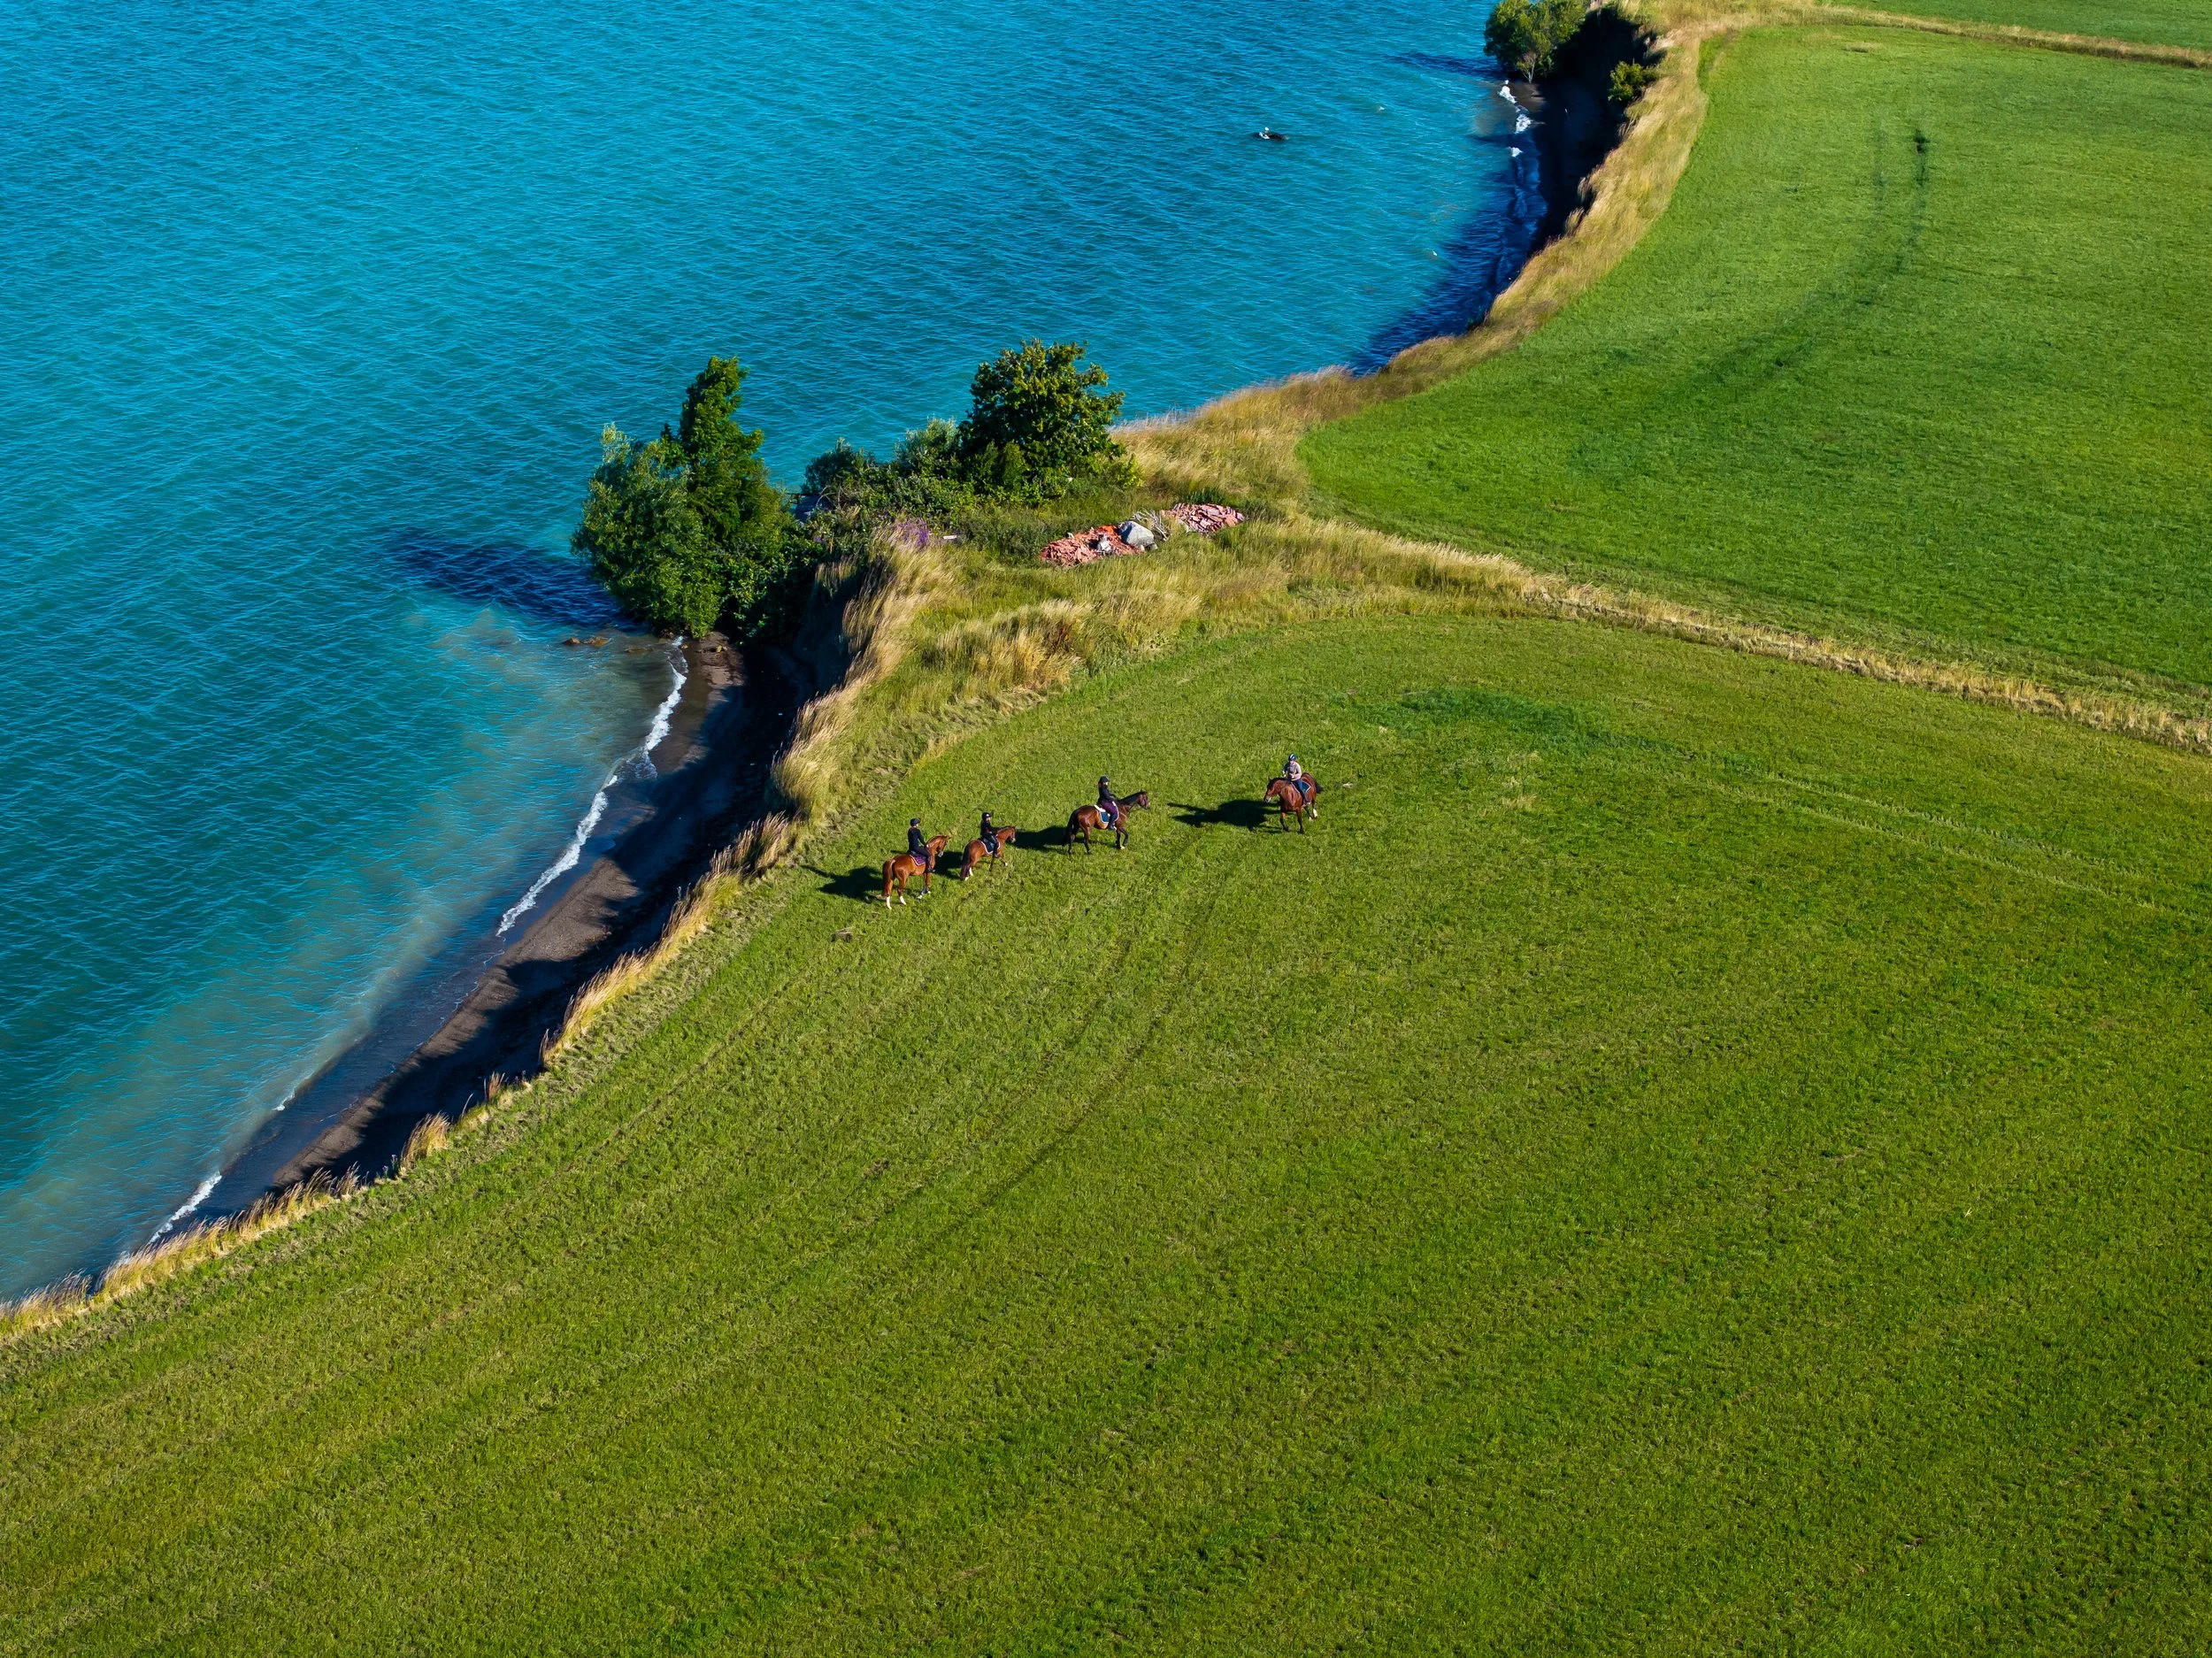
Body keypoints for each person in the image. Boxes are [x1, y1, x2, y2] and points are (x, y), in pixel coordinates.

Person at [907, 817, 934, 884]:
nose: (918, 825)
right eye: (918, 823)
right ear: (916, 824)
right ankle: (928, 869)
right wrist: (926, 844)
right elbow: (921, 839)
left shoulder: (909, 830)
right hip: (916, 847)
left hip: (910, 848)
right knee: (928, 855)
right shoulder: (917, 831)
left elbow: (909, 840)